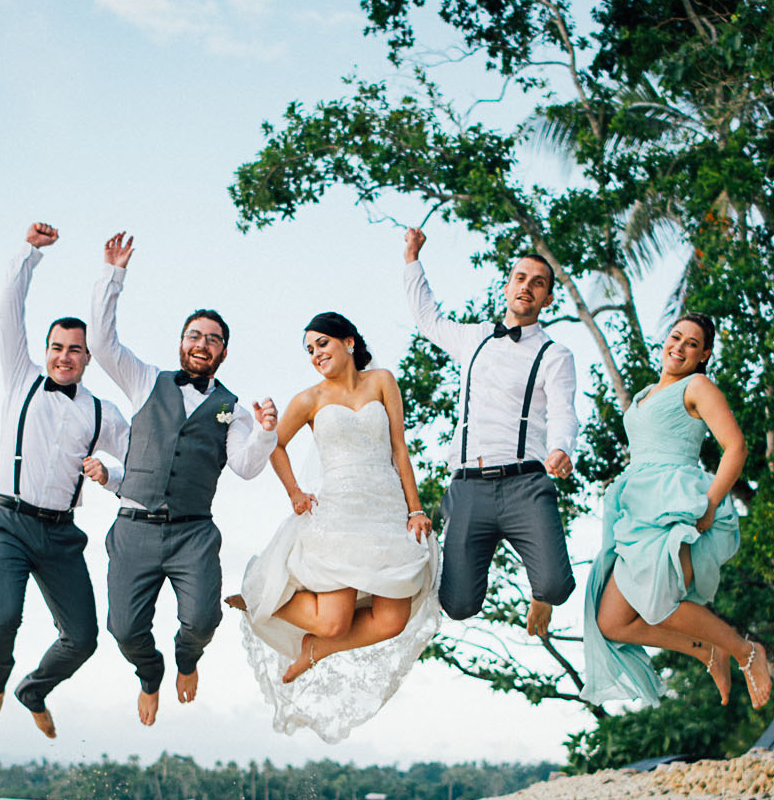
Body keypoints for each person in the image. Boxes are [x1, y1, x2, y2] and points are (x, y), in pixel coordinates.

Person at [87, 232, 278, 725]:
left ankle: (187, 661)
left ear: (223, 353)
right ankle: (150, 674)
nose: (203, 343)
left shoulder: (233, 408)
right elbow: (102, 343)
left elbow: (246, 466)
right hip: (134, 527)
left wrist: (265, 433)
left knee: (203, 619)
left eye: (213, 338)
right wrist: (114, 275)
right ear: (181, 343)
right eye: (195, 335)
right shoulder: (145, 379)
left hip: (193, 531)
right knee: (125, 630)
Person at [226, 312, 439, 741]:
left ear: (348, 343)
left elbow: (400, 449)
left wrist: (415, 509)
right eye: (309, 349)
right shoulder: (309, 399)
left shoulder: (382, 381)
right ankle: (260, 597)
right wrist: (295, 493)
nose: (315, 354)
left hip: (385, 512)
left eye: (322, 344)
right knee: (334, 620)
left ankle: (315, 650)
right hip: (339, 514)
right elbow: (275, 445)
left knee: (393, 618)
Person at [0, 222, 132, 747]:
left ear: (87, 358)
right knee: (4, 616)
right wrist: (29, 253)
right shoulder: (21, 377)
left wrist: (111, 477)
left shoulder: (102, 412)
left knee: (83, 639)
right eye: (57, 347)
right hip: (9, 523)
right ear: (45, 350)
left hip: (61, 535)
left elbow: (139, 464)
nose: (65, 355)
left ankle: (32, 691)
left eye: (76, 349)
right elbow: (6, 311)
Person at [583, 313, 771, 709]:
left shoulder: (697, 386)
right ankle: (707, 651)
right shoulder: (647, 392)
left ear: (703, 355)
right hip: (638, 504)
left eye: (691, 343)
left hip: (673, 504)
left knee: (662, 602)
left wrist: (710, 505)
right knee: (612, 622)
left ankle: (744, 650)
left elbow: (736, 448)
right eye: (675, 337)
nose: (680, 347)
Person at [402, 227, 579, 638]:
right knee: (459, 605)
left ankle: (541, 590)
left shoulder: (555, 354)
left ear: (547, 298)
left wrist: (560, 449)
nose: (527, 288)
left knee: (555, 585)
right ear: (507, 286)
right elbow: (427, 318)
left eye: (538, 284)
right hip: (469, 487)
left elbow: (564, 411)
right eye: (521, 278)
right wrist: (412, 258)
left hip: (525, 485)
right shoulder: (474, 337)